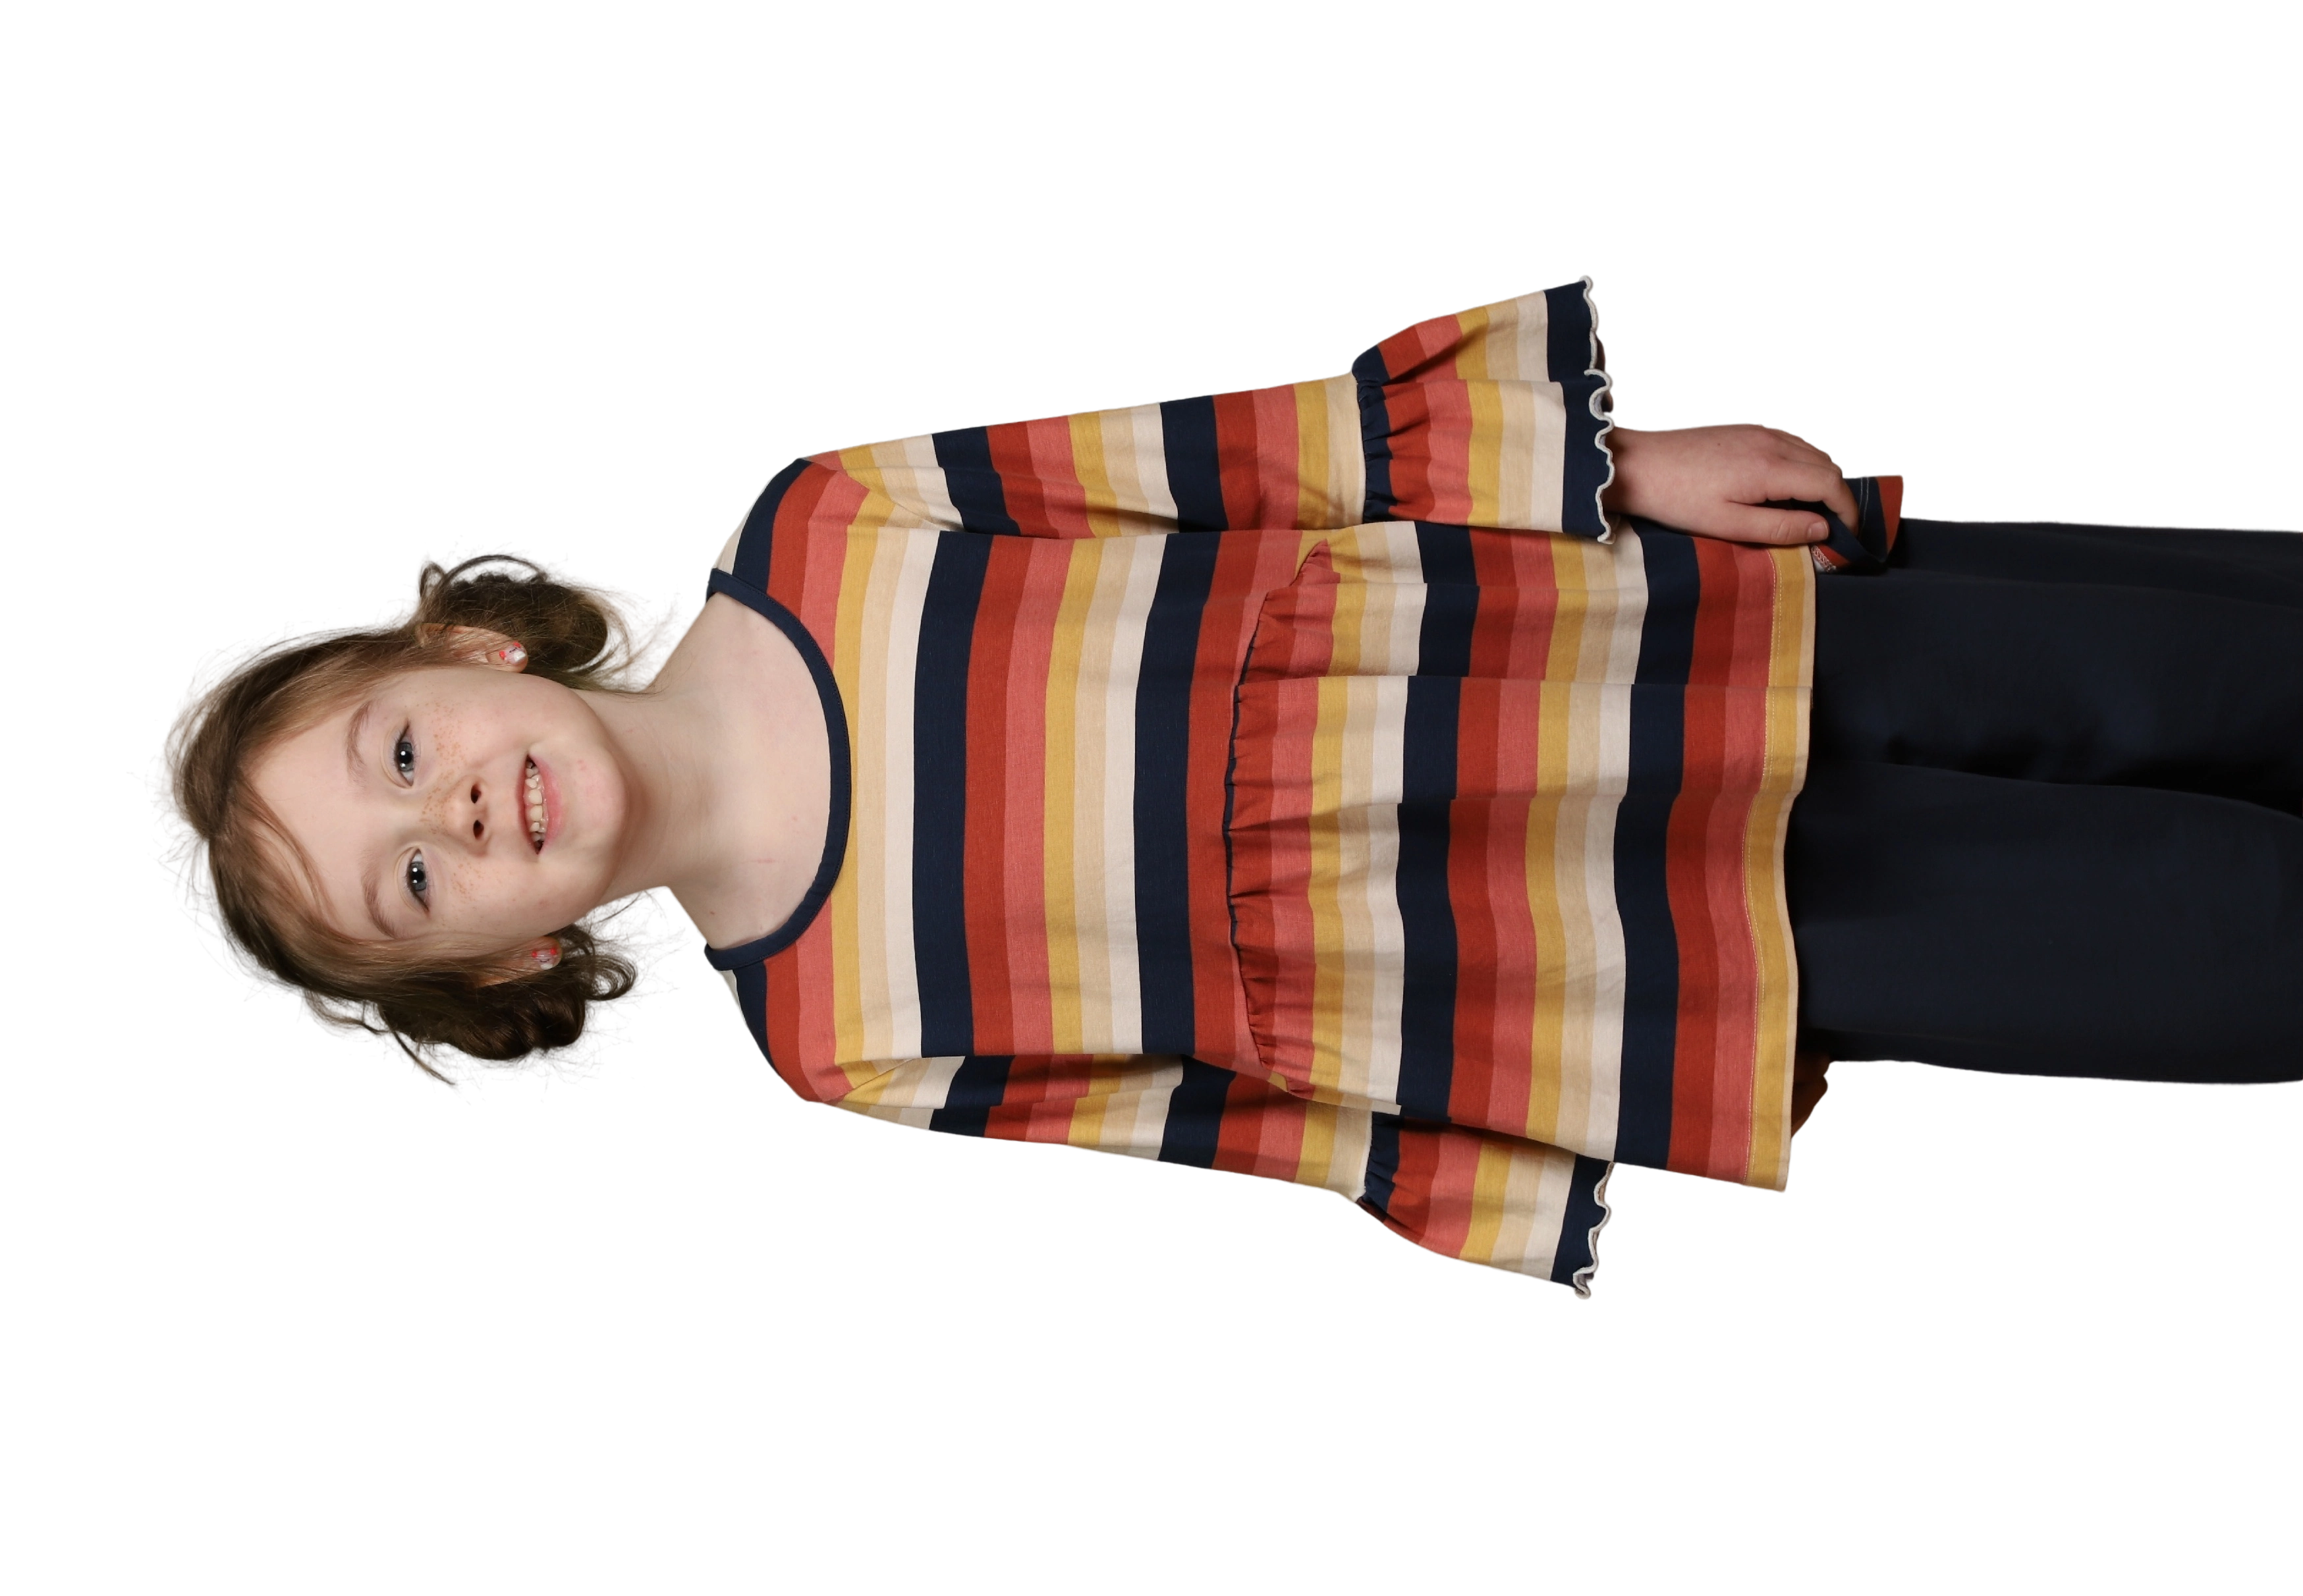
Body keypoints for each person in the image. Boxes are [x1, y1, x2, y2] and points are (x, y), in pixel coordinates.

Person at [138, 277, 2303, 1296]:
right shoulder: (837, 1038)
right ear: (503, 963)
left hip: (1655, 634)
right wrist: (1514, 1168)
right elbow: (1212, 1111)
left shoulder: (831, 522)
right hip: (1666, 948)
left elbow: (1234, 460)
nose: (455, 815)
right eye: (410, 886)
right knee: (2215, 952)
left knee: (2202, 667)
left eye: (399, 756)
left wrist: (1615, 465)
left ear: (468, 653)